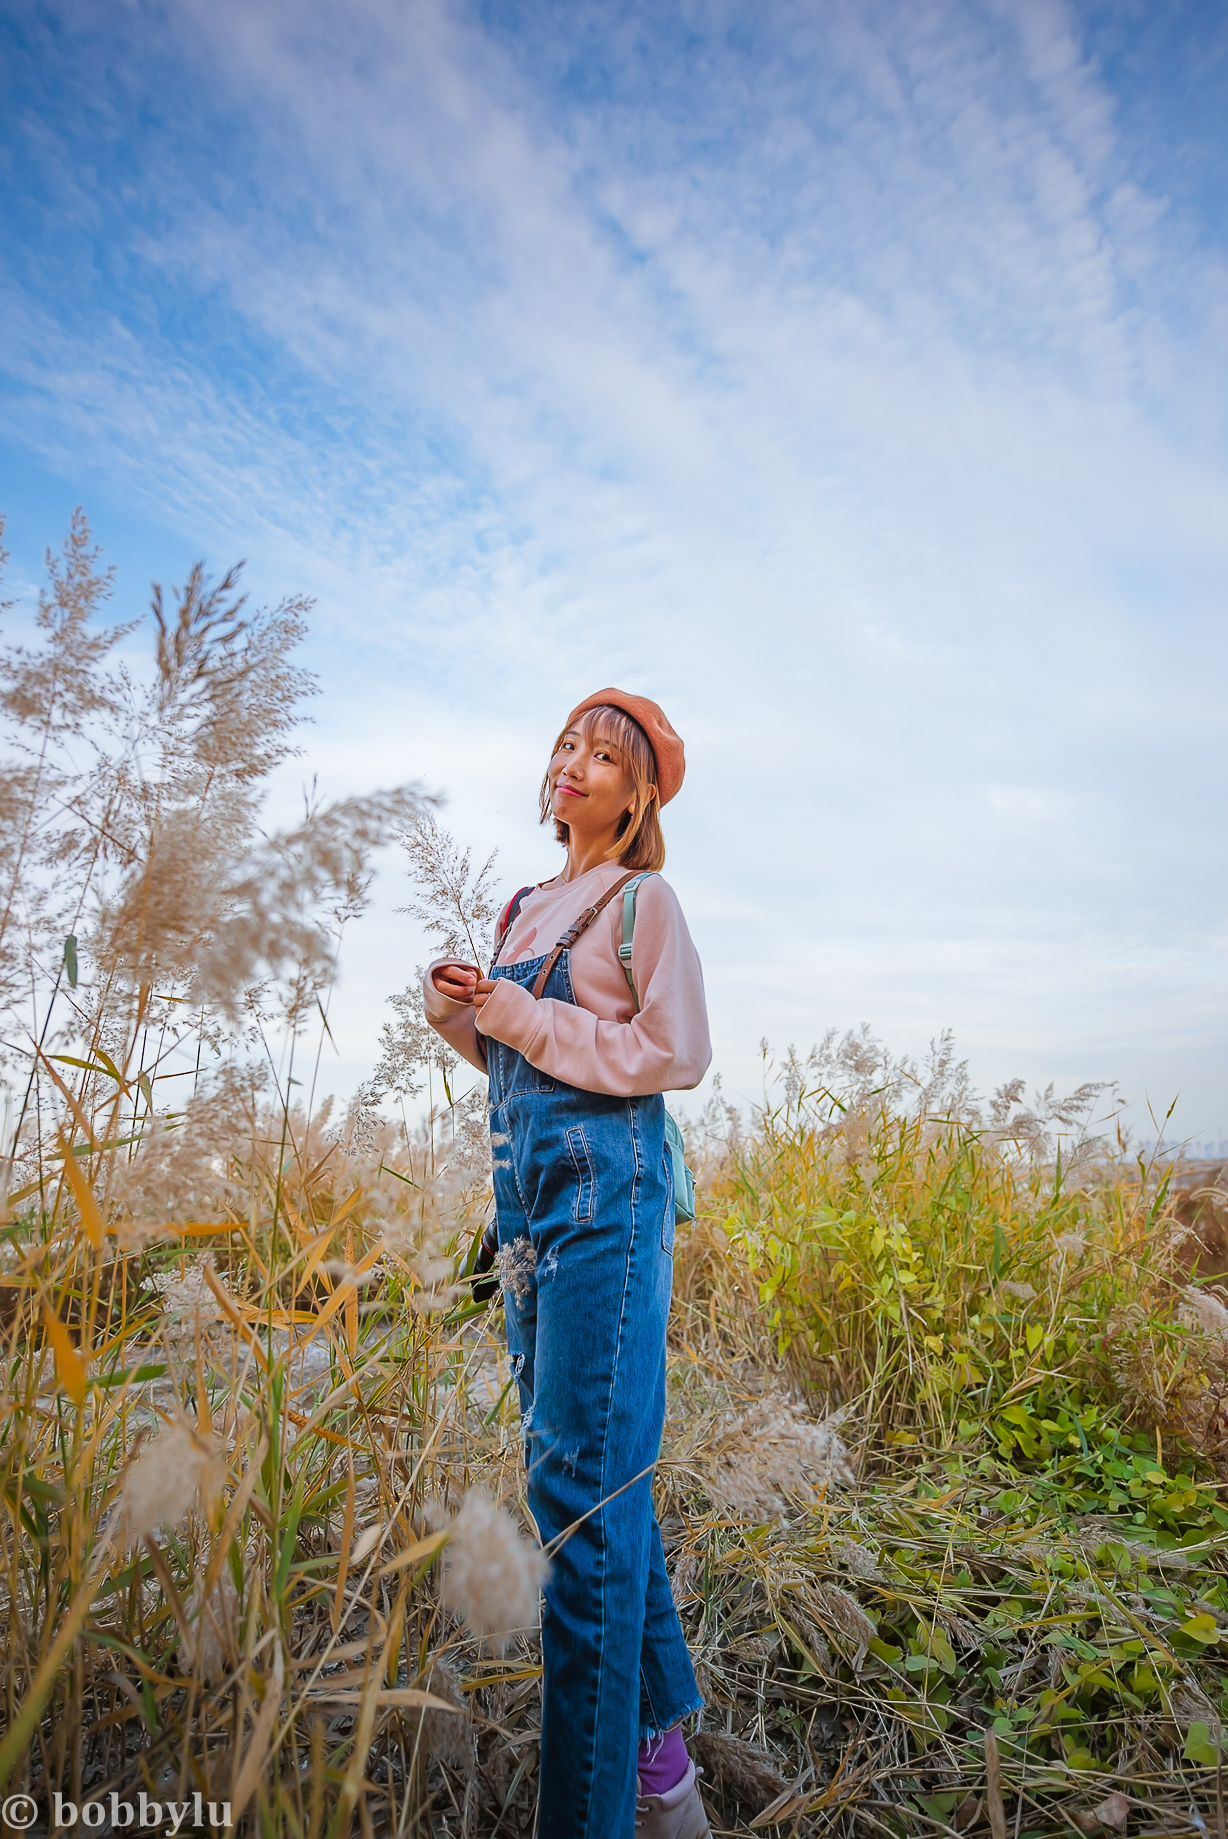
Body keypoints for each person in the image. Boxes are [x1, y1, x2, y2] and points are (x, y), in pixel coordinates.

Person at [424, 689, 713, 1839]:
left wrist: (516, 1014)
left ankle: (588, 1815)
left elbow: (669, 1052)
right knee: (588, 1480)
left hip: (608, 1188)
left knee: (575, 1497)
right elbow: (514, 1057)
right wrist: (465, 1012)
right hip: (526, 1196)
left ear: (638, 795)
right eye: (566, 748)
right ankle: (662, 1771)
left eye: (604, 756)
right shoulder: (524, 904)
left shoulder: (643, 900)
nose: (575, 765)